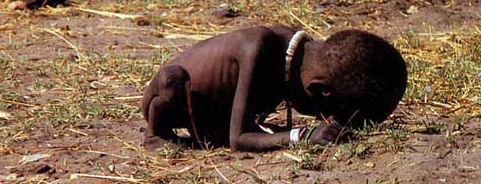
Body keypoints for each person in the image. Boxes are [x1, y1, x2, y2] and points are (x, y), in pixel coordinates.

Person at [141, 25, 408, 151]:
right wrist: (301, 136)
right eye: (325, 113)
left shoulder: (299, 56)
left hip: (213, 113)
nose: (324, 120)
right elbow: (239, 139)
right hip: (172, 98)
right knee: (171, 81)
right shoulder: (257, 49)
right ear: (319, 91)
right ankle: (156, 135)